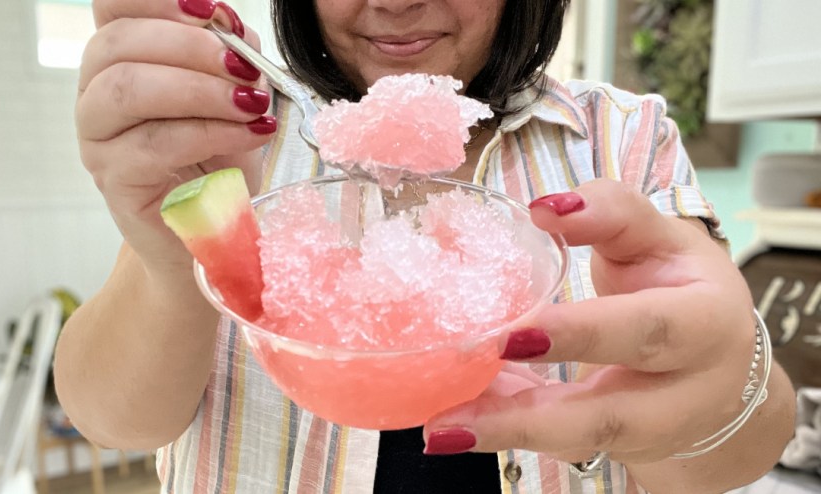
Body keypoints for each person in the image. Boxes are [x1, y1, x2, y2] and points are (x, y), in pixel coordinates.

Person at [56, 0, 797, 492]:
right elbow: (116, 420)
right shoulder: (230, 136)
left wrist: (723, 377)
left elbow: (720, 460)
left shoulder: (621, 137)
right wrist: (167, 259)